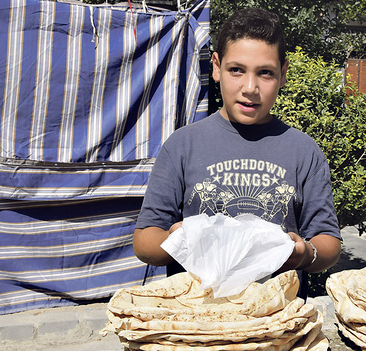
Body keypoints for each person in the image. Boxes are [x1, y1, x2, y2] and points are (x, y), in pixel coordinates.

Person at [132, 7, 341, 299]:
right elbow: (144, 242)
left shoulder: (303, 151)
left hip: (276, 320)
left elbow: (329, 242)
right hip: (198, 319)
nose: (250, 88)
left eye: (265, 73)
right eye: (236, 70)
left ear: (283, 74)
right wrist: (176, 239)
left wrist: (305, 254)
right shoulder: (182, 145)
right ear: (216, 67)